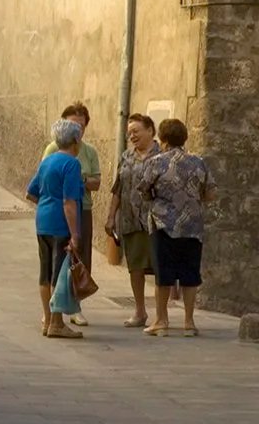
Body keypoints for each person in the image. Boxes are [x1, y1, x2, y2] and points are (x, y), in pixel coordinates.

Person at [139, 119, 217, 337]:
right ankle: (189, 322)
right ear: (184, 138)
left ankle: (161, 321)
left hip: (163, 224)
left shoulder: (156, 163)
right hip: (192, 226)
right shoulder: (199, 162)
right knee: (190, 274)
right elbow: (211, 193)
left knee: (163, 274)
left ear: (162, 139)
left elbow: (144, 190)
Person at [41, 102, 101, 325]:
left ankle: (74, 307)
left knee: (79, 259)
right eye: (73, 124)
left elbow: (97, 182)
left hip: (82, 208)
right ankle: (51, 313)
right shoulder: (52, 149)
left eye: (82, 125)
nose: (78, 129)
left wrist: (81, 181)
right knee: (54, 262)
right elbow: (45, 181)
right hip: (60, 210)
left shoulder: (90, 152)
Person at [26, 119, 87, 340]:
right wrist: (75, 234)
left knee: (45, 272)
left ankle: (47, 320)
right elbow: (69, 202)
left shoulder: (48, 161)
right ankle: (57, 323)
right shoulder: (71, 164)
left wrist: (46, 203)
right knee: (58, 273)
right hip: (61, 225)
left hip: (43, 222)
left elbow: (31, 192)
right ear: (75, 141)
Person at [105, 113, 161, 328]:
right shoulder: (126, 157)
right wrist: (111, 217)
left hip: (155, 221)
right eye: (129, 133)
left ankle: (161, 314)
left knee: (159, 266)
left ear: (150, 130)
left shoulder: (162, 156)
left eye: (136, 131)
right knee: (135, 267)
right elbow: (117, 189)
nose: (132, 136)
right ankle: (140, 311)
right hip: (130, 220)